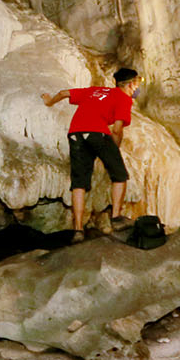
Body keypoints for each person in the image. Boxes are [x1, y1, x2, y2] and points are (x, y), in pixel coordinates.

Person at [43, 68, 141, 241]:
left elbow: (64, 93)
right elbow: (117, 130)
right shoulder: (124, 98)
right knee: (119, 175)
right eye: (138, 83)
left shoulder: (95, 90)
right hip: (97, 133)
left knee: (79, 183)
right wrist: (113, 150)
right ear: (132, 84)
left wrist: (49, 102)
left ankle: (78, 230)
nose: (137, 88)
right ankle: (116, 218)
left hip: (75, 133)